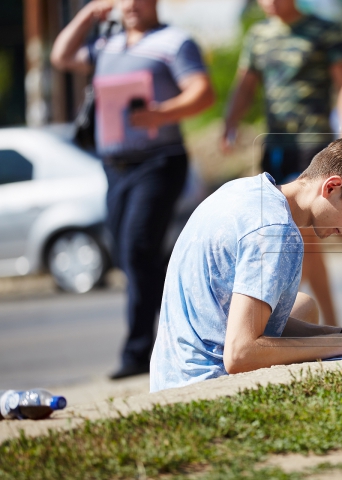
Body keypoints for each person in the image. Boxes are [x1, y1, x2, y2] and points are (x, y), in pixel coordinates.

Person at [149, 136, 342, 392]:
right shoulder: (277, 232)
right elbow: (240, 354)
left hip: (168, 377)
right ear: (331, 187)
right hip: (203, 386)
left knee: (304, 305)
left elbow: (240, 317)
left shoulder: (244, 190)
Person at [50, 0, 215, 379]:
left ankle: (139, 352)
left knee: (138, 249)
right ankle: (196, 315)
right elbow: (61, 56)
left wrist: (160, 114)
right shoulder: (106, 44)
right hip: (115, 167)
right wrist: (87, 14)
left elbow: (202, 93)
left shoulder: (174, 42)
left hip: (159, 161)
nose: (132, 5)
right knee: (128, 257)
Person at [222, 0, 342, 327]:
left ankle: (311, 321)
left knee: (301, 234)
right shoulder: (257, 35)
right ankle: (319, 321)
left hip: (313, 145)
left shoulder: (324, 30)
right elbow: (245, 84)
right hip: (276, 147)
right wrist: (229, 122)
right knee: (293, 234)